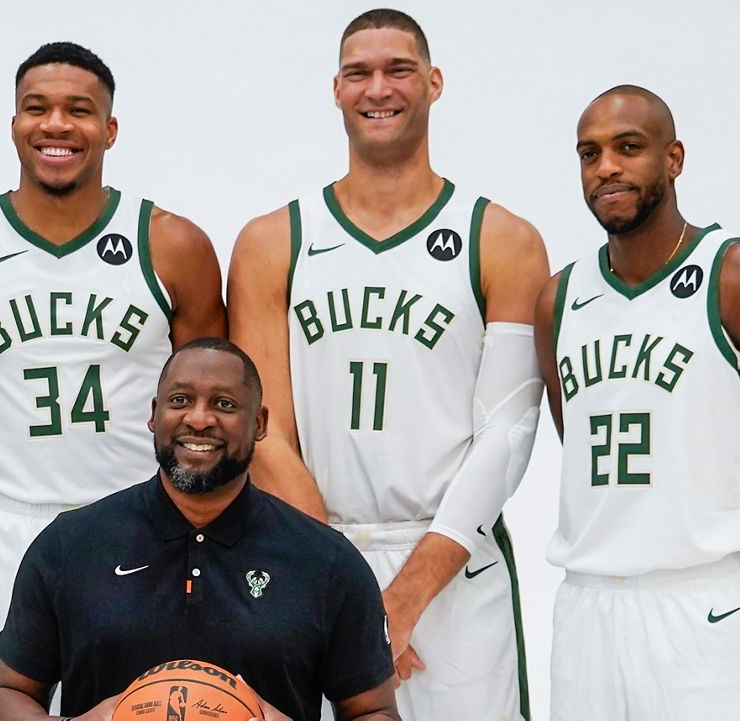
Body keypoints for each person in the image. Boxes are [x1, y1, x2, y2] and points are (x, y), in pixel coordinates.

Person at [227, 10, 547, 721]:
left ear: (433, 82)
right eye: (359, 73)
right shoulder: (273, 241)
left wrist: (402, 597)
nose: (379, 87)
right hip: (312, 553)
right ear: (336, 90)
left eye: (398, 69)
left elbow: (508, 433)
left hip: (455, 560)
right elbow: (264, 430)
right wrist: (342, 584)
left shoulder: (501, 238)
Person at [0, 42, 226, 721]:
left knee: (153, 709)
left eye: (79, 110)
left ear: (109, 129)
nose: (56, 125)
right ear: (13, 122)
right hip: (9, 529)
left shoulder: (173, 246)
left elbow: (208, 416)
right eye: (36, 108)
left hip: (144, 527)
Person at [533, 85, 740, 721]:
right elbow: (578, 440)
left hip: (709, 605)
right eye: (589, 153)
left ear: (674, 158)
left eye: (629, 148)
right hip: (587, 608)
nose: (607, 167)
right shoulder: (559, 300)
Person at [0, 338, 398, 721]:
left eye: (224, 404)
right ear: (153, 415)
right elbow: (6, 695)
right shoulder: (69, 545)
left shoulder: (327, 561)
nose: (199, 420)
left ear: (259, 424)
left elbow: (375, 711)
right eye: (180, 400)